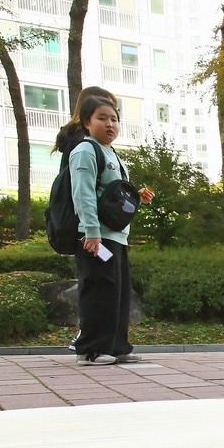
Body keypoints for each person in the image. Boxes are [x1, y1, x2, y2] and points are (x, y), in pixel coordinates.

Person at [66, 92, 153, 366]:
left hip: (116, 236)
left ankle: (116, 346)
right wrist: (91, 231)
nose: (110, 124)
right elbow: (83, 194)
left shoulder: (112, 154)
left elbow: (110, 195)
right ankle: (90, 349)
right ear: (87, 122)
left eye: (114, 119)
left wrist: (137, 195)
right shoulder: (85, 151)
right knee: (98, 290)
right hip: (96, 237)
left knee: (117, 292)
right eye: (102, 118)